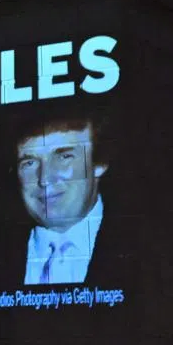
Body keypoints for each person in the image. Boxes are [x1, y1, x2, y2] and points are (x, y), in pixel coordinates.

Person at [16, 115, 108, 285]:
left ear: (99, 164)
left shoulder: (150, 246)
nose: (44, 179)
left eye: (64, 157)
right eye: (29, 163)